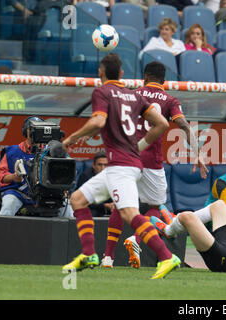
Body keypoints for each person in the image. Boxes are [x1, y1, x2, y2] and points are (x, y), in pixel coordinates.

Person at [61, 53, 180, 279]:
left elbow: (98, 121)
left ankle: (167, 257)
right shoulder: (131, 96)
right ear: (122, 74)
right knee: (78, 200)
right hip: (126, 162)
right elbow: (163, 123)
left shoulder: (103, 92)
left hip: (122, 166)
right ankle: (89, 254)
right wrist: (141, 145)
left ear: (100, 72)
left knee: (127, 213)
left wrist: (70, 139)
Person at [101, 61, 208, 268]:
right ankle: (136, 240)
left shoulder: (131, 94)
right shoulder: (170, 99)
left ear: (144, 77)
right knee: (154, 207)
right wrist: (198, 154)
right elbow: (184, 126)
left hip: (128, 157)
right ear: (164, 81)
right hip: (151, 162)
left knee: (120, 205)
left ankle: (108, 257)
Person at [0, 116, 73, 218]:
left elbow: (68, 171)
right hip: (18, 193)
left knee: (68, 209)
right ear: (25, 131)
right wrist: (14, 177)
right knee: (9, 204)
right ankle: (1, 232)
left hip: (47, 193)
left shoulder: (54, 151)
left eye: (39, 129)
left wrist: (63, 187)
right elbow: (0, 176)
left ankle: (73, 234)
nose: (35, 132)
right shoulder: (12, 151)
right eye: (31, 129)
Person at [75, 152, 114, 217]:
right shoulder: (85, 176)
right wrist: (104, 206)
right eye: (100, 165)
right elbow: (83, 200)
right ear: (93, 165)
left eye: (105, 165)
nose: (102, 168)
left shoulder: (113, 176)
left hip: (110, 206)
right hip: (92, 207)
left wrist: (113, 205)